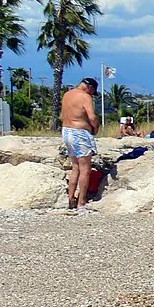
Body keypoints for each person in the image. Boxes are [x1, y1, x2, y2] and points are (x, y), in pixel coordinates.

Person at [58, 77, 101, 211]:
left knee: (75, 167)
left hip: (66, 131)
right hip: (79, 132)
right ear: (90, 88)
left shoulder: (67, 94)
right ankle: (81, 202)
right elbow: (92, 117)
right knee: (85, 169)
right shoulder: (85, 97)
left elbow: (63, 115)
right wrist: (96, 127)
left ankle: (71, 198)